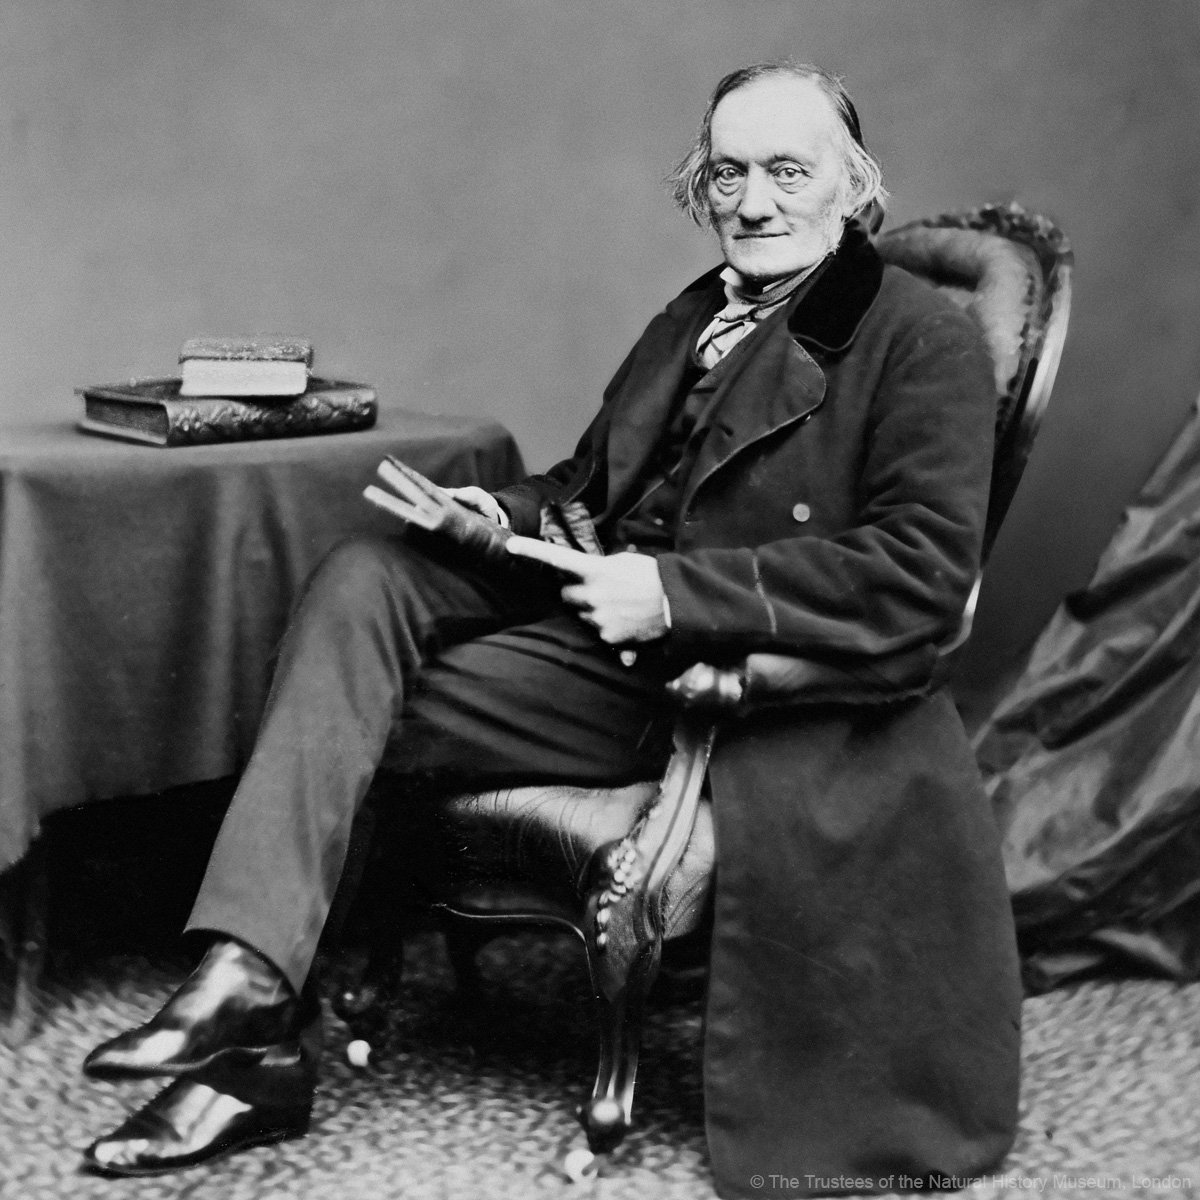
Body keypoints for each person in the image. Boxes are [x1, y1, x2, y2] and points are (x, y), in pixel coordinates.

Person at [81, 61, 1022, 1197]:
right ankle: (247, 984)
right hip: (599, 654)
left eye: (788, 171)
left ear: (853, 186)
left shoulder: (921, 339)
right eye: (728, 174)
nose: (755, 201)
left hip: (723, 686)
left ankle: (250, 1049)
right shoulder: (696, 313)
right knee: (363, 583)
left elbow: (922, 573)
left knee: (323, 713)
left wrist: (675, 594)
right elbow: (588, 490)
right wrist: (493, 514)